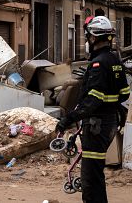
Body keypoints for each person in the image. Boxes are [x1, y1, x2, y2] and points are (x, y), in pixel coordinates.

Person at [55, 16, 130, 203]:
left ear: (94, 38)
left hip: (97, 126)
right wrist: (112, 106)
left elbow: (92, 101)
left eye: (88, 36)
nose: (87, 40)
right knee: (96, 175)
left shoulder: (98, 64)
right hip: (109, 123)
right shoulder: (114, 60)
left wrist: (67, 119)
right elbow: (125, 93)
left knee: (90, 179)